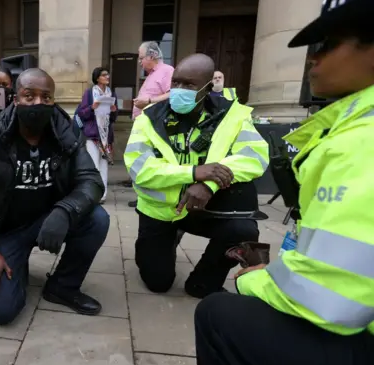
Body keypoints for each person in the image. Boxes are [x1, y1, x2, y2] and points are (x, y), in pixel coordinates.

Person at [195, 0, 374, 365]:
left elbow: (331, 297)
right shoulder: (350, 129)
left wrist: (252, 278)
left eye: (329, 43)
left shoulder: (360, 140)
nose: (313, 57)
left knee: (218, 316)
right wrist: (190, 172)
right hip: (166, 215)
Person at [0, 68, 109, 325]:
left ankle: (63, 286)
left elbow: (91, 181)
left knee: (97, 219)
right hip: (5, 229)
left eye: (45, 97)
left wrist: (65, 211)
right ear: (15, 98)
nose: (38, 102)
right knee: (3, 311)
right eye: (29, 96)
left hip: (48, 219)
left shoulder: (66, 133)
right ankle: (16, 263)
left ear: (53, 101)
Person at [124, 53, 269, 299]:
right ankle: (166, 242)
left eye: (189, 85)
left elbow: (254, 157)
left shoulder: (232, 116)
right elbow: (139, 167)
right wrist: (192, 172)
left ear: (208, 87)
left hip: (208, 207)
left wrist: (209, 183)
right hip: (161, 212)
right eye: (176, 83)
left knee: (243, 229)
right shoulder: (149, 117)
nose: (179, 90)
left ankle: (204, 282)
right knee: (158, 282)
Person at [128, 41, 175, 207]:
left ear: (152, 56)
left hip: (154, 127)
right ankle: (143, 195)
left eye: (141, 58)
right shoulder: (151, 75)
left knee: (150, 162)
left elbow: (172, 95)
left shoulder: (166, 71)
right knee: (141, 161)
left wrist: (148, 100)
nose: (140, 62)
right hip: (144, 126)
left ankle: (151, 196)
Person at [75, 67, 118, 203]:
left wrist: (114, 110)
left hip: (105, 137)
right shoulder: (89, 93)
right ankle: (94, 193)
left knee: (104, 166)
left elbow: (113, 119)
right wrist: (92, 107)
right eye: (104, 75)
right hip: (92, 136)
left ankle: (103, 195)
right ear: (97, 78)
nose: (107, 76)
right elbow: (82, 114)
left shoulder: (112, 94)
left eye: (107, 74)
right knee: (94, 166)